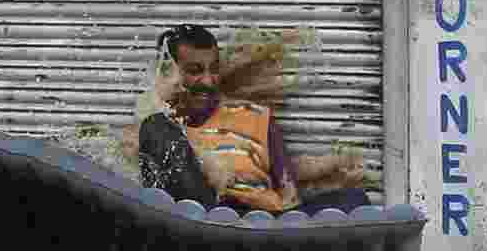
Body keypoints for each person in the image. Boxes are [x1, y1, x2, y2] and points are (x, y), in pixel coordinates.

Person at [136, 24, 370, 216]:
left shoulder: (257, 117)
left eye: (214, 69)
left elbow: (290, 198)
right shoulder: (159, 129)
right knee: (153, 126)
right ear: (170, 71)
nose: (208, 81)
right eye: (195, 70)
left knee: (355, 200)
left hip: (261, 226)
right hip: (206, 220)